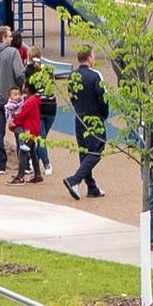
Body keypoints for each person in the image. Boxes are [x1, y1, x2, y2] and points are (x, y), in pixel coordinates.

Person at [59, 48, 109, 200]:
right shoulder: (95, 75)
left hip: (79, 117)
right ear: (89, 57)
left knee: (84, 152)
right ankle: (75, 180)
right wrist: (103, 115)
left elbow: (72, 97)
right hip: (94, 117)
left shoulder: (72, 76)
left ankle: (91, 187)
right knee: (97, 150)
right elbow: (103, 98)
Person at [0, 29, 30, 178]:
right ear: (3, 38)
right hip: (13, 99)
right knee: (19, 131)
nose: (11, 38)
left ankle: (0, 165)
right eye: (9, 36)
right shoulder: (12, 53)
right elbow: (19, 74)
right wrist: (21, 90)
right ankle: (25, 164)